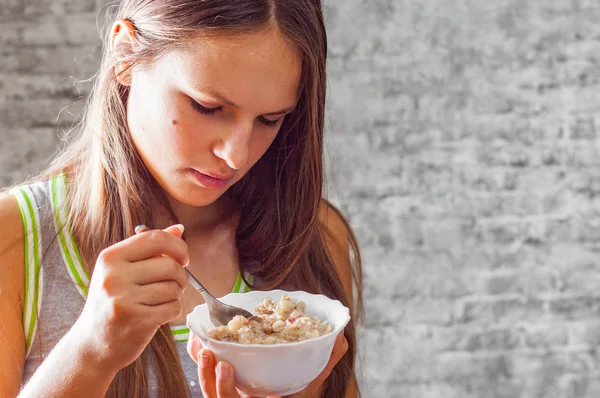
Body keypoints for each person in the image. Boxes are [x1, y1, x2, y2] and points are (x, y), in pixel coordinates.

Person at [0, 0, 363, 397]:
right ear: (126, 54)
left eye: (269, 120)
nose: (236, 155)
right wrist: (90, 351)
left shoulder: (312, 239)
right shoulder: (15, 239)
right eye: (208, 107)